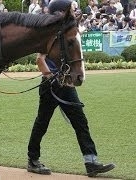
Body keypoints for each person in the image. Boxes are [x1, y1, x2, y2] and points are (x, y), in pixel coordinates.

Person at [26, 0, 115, 177]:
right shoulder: (49, 33)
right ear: (60, 12)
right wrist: (51, 78)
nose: (75, 11)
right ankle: (33, 160)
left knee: (78, 121)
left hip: (64, 83)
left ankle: (91, 163)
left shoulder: (64, 31)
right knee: (43, 122)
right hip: (51, 85)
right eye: (72, 9)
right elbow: (39, 60)